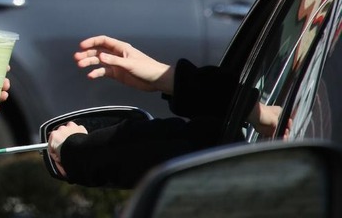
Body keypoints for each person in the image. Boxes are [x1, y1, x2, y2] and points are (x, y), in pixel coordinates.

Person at [46, 35, 281, 188]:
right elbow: (208, 133)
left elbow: (181, 153)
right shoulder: (278, 120)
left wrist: (77, 150)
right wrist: (166, 77)